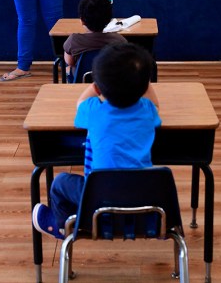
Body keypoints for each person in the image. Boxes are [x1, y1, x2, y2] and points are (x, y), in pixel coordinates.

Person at [32, 43, 160, 239]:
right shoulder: (147, 111)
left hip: (97, 197)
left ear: (98, 87)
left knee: (59, 183)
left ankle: (62, 226)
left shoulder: (94, 111)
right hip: (140, 197)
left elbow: (79, 103)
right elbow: (155, 103)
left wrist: (95, 86)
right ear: (144, 86)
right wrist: (141, 81)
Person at [62, 0, 127, 79]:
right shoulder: (120, 40)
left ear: (82, 20)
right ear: (109, 20)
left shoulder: (73, 40)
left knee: (68, 68)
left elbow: (69, 62)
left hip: (82, 83)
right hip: (110, 84)